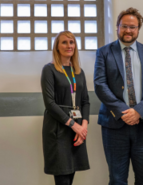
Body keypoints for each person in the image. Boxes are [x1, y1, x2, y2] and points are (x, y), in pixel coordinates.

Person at [94, 7, 143, 185]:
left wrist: (138, 112)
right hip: (115, 124)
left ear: (138, 29)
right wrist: (125, 111)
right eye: (124, 26)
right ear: (117, 27)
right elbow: (100, 85)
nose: (128, 30)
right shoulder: (103, 53)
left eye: (133, 27)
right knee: (117, 179)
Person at [41, 31, 90, 185]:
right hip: (58, 128)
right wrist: (73, 125)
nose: (69, 46)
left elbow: (85, 101)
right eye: (64, 42)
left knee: (71, 176)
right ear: (57, 47)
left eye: (72, 42)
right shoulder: (49, 70)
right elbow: (50, 103)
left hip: (77, 130)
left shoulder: (78, 72)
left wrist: (83, 127)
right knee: (62, 179)